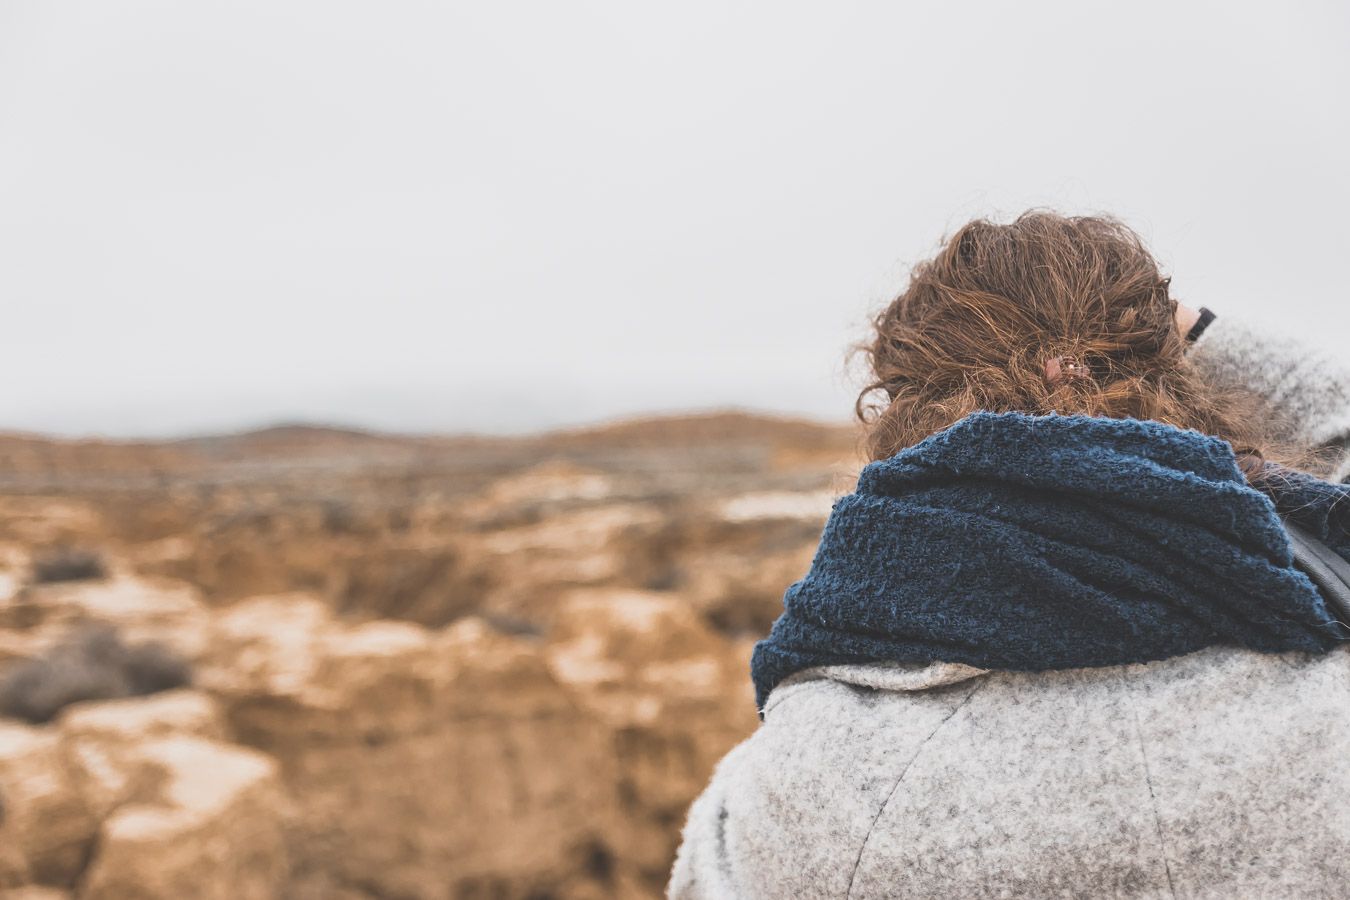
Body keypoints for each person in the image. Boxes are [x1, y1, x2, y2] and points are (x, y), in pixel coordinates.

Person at [668, 212, 1350, 899]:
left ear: (903, 422)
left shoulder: (792, 799)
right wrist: (1198, 327)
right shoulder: (1330, 715)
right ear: (1177, 385)